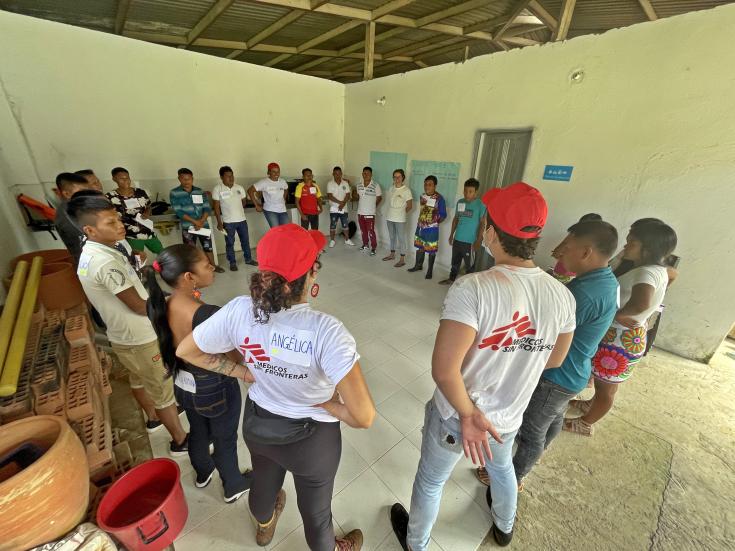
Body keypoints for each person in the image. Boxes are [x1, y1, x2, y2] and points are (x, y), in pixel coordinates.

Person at [390, 182, 576, 549]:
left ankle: (416, 543)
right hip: (508, 415)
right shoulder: (562, 295)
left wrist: (470, 415)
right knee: (501, 467)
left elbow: (444, 371)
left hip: (457, 416)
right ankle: (505, 527)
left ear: (491, 230)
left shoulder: (473, 288)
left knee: (431, 482)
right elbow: (554, 359)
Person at [177, 224, 375, 551]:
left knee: (264, 487)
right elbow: (363, 416)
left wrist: (242, 372)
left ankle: (265, 527)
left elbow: (187, 350)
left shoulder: (240, 310)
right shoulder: (327, 331)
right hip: (314, 443)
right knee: (316, 514)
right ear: (311, 275)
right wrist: (328, 404)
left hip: (259, 424)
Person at [475, 220, 619, 488]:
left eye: (568, 246)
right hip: (575, 370)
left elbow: (546, 334)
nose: (560, 251)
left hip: (557, 375)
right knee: (553, 418)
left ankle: (513, 477)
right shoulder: (606, 281)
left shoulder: (583, 293)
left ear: (586, 252)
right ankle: (536, 454)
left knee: (531, 430)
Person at [68, 194, 188, 456]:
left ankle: (153, 417)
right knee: (161, 387)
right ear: (90, 229)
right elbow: (136, 305)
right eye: (110, 222)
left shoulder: (93, 252)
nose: (120, 225)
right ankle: (180, 440)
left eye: (118, 218)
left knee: (138, 378)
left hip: (122, 336)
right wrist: (175, 304)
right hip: (139, 337)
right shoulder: (104, 261)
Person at [142, 244, 253, 503]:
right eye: (205, 264)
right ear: (188, 277)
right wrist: (246, 371)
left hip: (183, 383)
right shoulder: (206, 314)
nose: (212, 266)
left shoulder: (158, 303)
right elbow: (229, 355)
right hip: (215, 388)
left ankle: (203, 472)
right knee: (224, 438)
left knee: (198, 429)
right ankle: (233, 485)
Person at [565, 221, 677, 437]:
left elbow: (641, 303)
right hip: (622, 335)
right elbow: (672, 276)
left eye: (632, 242)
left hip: (620, 339)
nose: (626, 245)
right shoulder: (655, 269)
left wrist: (621, 315)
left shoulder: (646, 272)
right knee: (603, 382)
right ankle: (590, 404)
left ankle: (586, 424)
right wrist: (645, 315)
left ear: (648, 247)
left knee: (607, 389)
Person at [170, 168, 224, 273]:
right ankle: (193, 271)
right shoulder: (174, 193)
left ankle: (213, 266)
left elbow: (207, 207)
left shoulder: (199, 191)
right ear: (179, 179)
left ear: (192, 178)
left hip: (203, 225)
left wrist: (201, 221)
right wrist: (196, 222)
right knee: (190, 251)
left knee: (208, 247)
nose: (186, 182)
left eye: (188, 179)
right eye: (183, 179)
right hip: (188, 227)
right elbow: (179, 211)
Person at [106, 167, 164, 256]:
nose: (126, 181)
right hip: (130, 234)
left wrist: (147, 212)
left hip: (147, 230)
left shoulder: (140, 192)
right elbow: (109, 215)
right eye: (121, 178)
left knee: (163, 253)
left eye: (127, 178)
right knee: (138, 259)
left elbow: (148, 205)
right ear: (114, 179)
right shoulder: (110, 197)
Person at [439, 178, 486, 285]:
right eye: (465, 191)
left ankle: (469, 286)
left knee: (470, 265)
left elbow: (483, 223)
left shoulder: (480, 205)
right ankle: (451, 279)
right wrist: (451, 235)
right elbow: (456, 219)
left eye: (470, 191)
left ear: (475, 192)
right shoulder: (460, 202)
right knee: (455, 262)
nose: (467, 194)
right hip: (458, 239)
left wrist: (479, 240)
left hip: (470, 241)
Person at [212, 166, 257, 272]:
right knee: (230, 243)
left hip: (242, 220)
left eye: (232, 175)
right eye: (227, 176)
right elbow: (216, 207)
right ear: (221, 177)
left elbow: (244, 202)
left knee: (245, 241)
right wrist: (219, 222)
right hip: (228, 222)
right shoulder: (217, 189)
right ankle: (232, 262)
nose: (231, 178)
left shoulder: (239, 187)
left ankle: (248, 259)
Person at [408, 176, 447, 279]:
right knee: (420, 246)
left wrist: (434, 223)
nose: (426, 186)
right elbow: (423, 210)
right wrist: (420, 221)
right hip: (421, 227)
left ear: (435, 186)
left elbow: (443, 215)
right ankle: (418, 265)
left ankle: (429, 271)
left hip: (432, 230)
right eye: (425, 184)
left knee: (431, 249)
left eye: (429, 184)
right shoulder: (422, 196)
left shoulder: (439, 198)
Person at [549, 213, 603, 284]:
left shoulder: (574, 237)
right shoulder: (598, 243)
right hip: (575, 277)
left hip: (564, 274)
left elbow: (556, 254)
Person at [54, 172, 95, 267]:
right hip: (87, 263)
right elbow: (87, 238)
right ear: (67, 194)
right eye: (83, 191)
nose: (88, 194)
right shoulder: (66, 215)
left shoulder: (78, 208)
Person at [383, 169, 413, 267]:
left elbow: (410, 206)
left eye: (399, 177)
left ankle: (402, 259)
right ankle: (392, 254)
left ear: (403, 178)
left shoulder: (406, 190)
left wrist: (401, 213)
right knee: (392, 237)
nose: (397, 179)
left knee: (401, 238)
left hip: (400, 219)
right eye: (395, 177)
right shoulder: (391, 188)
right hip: (390, 217)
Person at [248, 162, 289, 228]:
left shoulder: (282, 181)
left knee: (286, 229)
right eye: (274, 171)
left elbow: (286, 189)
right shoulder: (264, 182)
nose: (276, 174)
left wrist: (284, 198)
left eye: (278, 171)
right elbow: (250, 190)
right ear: (268, 172)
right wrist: (256, 205)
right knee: (276, 231)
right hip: (270, 210)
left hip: (282, 209)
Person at [356, 166, 382, 256]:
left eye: (368, 173)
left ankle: (373, 247)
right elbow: (358, 197)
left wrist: (374, 206)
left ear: (371, 174)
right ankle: (365, 244)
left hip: (370, 213)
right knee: (363, 231)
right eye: (364, 173)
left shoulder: (376, 185)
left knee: (371, 231)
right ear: (362, 174)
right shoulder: (359, 185)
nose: (366, 175)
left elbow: (379, 197)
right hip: (360, 212)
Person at [326, 166, 355, 248]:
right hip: (334, 209)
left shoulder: (345, 183)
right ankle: (332, 240)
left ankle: (347, 239)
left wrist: (343, 204)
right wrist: (340, 203)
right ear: (333, 174)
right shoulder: (330, 183)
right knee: (333, 225)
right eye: (335, 174)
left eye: (339, 174)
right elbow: (329, 196)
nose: (337, 175)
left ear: (341, 174)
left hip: (344, 209)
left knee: (345, 225)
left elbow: (348, 195)